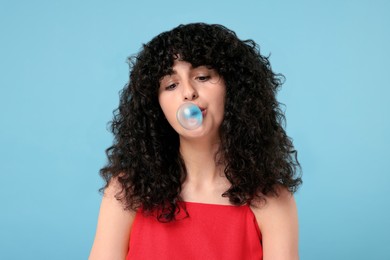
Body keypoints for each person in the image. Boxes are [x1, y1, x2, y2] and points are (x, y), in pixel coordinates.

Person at [89, 23, 302, 260]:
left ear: (233, 88)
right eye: (171, 85)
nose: (188, 92)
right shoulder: (126, 192)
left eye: (202, 76)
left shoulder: (272, 202)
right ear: (155, 106)